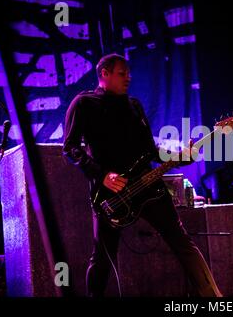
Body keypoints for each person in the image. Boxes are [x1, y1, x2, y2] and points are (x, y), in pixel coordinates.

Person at [63, 53, 222, 297]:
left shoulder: (133, 105)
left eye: (128, 72)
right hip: (110, 193)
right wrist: (102, 175)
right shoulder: (84, 103)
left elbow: (149, 150)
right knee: (103, 257)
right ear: (104, 74)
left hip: (148, 185)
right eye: (122, 72)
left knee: (181, 240)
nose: (129, 77)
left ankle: (213, 297)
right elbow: (70, 148)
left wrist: (180, 156)